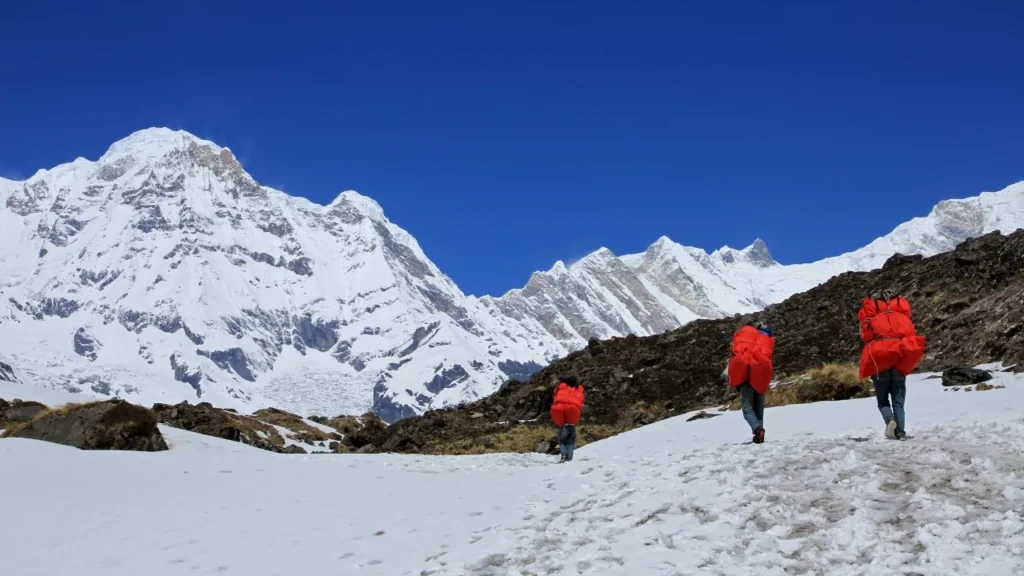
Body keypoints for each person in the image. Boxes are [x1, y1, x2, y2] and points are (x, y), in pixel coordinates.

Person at [858, 290, 926, 440]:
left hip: (879, 360)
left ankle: (890, 421)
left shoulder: (873, 319)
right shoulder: (903, 318)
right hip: (899, 361)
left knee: (882, 401)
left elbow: (866, 337)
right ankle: (900, 432)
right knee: (898, 402)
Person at [728, 321, 775, 444]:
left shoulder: (746, 339)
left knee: (748, 409)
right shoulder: (765, 341)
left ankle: (757, 429)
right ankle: (760, 434)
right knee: (759, 409)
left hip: (746, 378)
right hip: (761, 376)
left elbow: (735, 355)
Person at [550, 376, 585, 462]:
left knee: (562, 442)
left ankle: (563, 456)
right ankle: (569, 459)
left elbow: (555, 395)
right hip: (572, 424)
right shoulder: (578, 391)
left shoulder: (560, 389)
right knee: (570, 443)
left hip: (563, 424)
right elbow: (581, 401)